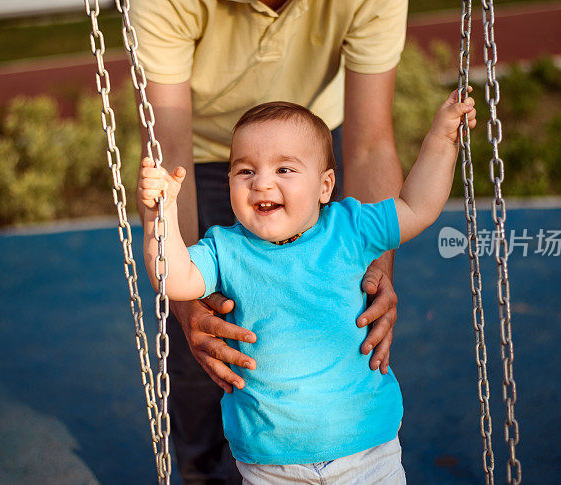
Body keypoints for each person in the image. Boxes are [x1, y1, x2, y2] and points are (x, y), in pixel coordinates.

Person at [131, 0, 408, 482]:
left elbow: (370, 143)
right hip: (205, 153)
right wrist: (187, 305)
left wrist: (376, 271)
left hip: (308, 141)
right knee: (209, 346)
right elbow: (167, 155)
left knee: (341, 317)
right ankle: (203, 470)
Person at [138, 95, 477, 483]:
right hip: (271, 460)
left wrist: (441, 138)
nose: (262, 182)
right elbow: (173, 278)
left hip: (366, 449)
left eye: (284, 169)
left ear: (324, 185)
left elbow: (418, 206)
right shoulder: (224, 248)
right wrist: (159, 217)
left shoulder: (349, 228)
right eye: (245, 171)